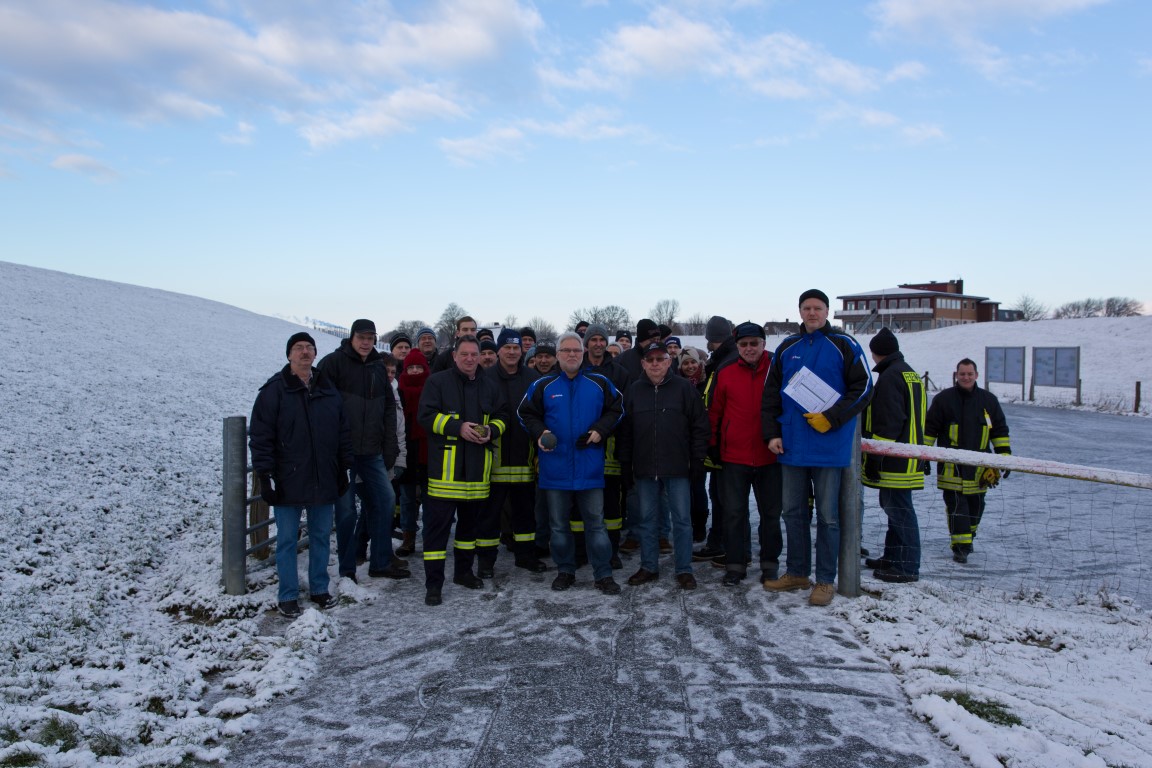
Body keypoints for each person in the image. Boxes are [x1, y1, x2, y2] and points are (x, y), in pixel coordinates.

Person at [762, 290, 873, 606]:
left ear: (827, 312)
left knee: (828, 516)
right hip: (792, 447)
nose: (812, 313)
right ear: (799, 311)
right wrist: (771, 434)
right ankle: (797, 571)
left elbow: (864, 388)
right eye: (807, 308)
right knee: (792, 512)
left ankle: (825, 580)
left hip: (828, 445)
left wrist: (833, 418)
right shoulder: (786, 348)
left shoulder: (844, 345)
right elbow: (770, 396)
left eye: (818, 308)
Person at [249, 332, 353, 618]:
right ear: (289, 355)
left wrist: (343, 467)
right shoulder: (274, 391)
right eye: (298, 348)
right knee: (286, 540)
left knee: (320, 536)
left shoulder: (328, 389)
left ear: (315, 353)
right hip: (288, 477)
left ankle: (319, 588)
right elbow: (260, 437)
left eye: (309, 347)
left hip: (324, 475)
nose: (305, 352)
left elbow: (342, 430)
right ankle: (288, 595)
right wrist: (265, 476)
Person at [519, 332, 624, 595]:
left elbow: (618, 408)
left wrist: (601, 429)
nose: (571, 355)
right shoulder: (544, 385)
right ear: (557, 355)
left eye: (576, 350)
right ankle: (565, 570)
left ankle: (603, 573)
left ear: (584, 352)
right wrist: (541, 432)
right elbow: (525, 413)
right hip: (555, 469)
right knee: (558, 526)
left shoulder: (599, 382)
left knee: (596, 524)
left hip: (590, 468)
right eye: (566, 351)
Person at [417, 336, 511, 605]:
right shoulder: (438, 382)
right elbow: (425, 416)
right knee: (436, 533)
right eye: (465, 354)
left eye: (474, 354)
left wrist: (491, 430)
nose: (470, 359)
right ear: (455, 356)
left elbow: (503, 417)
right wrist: (456, 427)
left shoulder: (490, 385)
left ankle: (463, 573)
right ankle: (433, 585)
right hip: (444, 475)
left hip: (477, 475)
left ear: (480, 356)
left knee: (468, 532)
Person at [318, 319, 408, 583]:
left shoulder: (378, 368)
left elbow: (389, 408)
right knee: (346, 512)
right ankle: (347, 570)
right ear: (352, 337)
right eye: (362, 337)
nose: (366, 342)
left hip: (372, 452)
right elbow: (320, 405)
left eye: (371, 338)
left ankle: (380, 561)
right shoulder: (333, 364)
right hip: (342, 453)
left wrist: (389, 444)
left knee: (385, 500)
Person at [617, 341, 710, 590]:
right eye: (651, 360)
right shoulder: (635, 391)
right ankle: (649, 566)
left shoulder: (683, 389)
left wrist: (698, 459)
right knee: (647, 520)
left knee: (682, 520)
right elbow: (625, 431)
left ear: (669, 362)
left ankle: (684, 569)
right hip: (645, 467)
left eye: (661, 359)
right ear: (643, 363)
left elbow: (700, 426)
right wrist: (625, 462)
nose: (656, 364)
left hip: (678, 466)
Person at [707, 322, 782, 586]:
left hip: (770, 456)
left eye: (754, 343)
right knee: (734, 514)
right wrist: (714, 445)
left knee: (770, 515)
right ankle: (736, 565)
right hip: (734, 457)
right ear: (737, 346)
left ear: (764, 344)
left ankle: (770, 564)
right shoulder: (725, 371)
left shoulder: (777, 368)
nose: (749, 349)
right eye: (744, 344)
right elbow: (714, 411)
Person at [924, 358, 1011, 563]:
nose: (966, 377)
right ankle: (960, 546)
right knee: (956, 506)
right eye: (962, 374)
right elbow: (930, 429)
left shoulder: (989, 401)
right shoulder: (943, 399)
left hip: (979, 466)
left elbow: (999, 430)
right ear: (956, 375)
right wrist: (924, 456)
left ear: (976, 375)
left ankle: (968, 538)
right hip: (950, 466)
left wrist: (1004, 456)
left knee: (976, 506)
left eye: (969, 374)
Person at [860, 328, 925, 583]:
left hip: (895, 460)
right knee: (895, 509)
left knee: (900, 511)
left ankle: (907, 567)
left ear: (875, 353)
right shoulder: (908, 373)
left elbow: (888, 423)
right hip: (909, 455)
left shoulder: (889, 377)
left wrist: (876, 458)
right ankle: (893, 557)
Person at [482, 328, 547, 575]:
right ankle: (486, 561)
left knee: (525, 513)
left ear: (522, 350)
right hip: (493, 461)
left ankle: (526, 556)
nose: (511, 352)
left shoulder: (533, 379)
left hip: (524, 457)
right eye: (507, 347)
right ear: (498, 350)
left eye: (515, 348)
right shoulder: (484, 377)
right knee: (489, 516)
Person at [692, 315, 736, 563]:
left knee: (723, 496)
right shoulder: (723, 360)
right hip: (722, 439)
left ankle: (724, 544)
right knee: (720, 494)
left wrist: (715, 441)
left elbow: (719, 405)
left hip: (723, 441)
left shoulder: (724, 362)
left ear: (712, 339)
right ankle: (720, 542)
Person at [395, 348, 431, 557]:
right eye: (411, 367)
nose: (415, 371)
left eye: (419, 367)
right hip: (406, 450)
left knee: (430, 499)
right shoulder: (398, 389)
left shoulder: (433, 388)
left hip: (428, 451)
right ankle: (408, 537)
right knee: (407, 499)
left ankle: (430, 538)